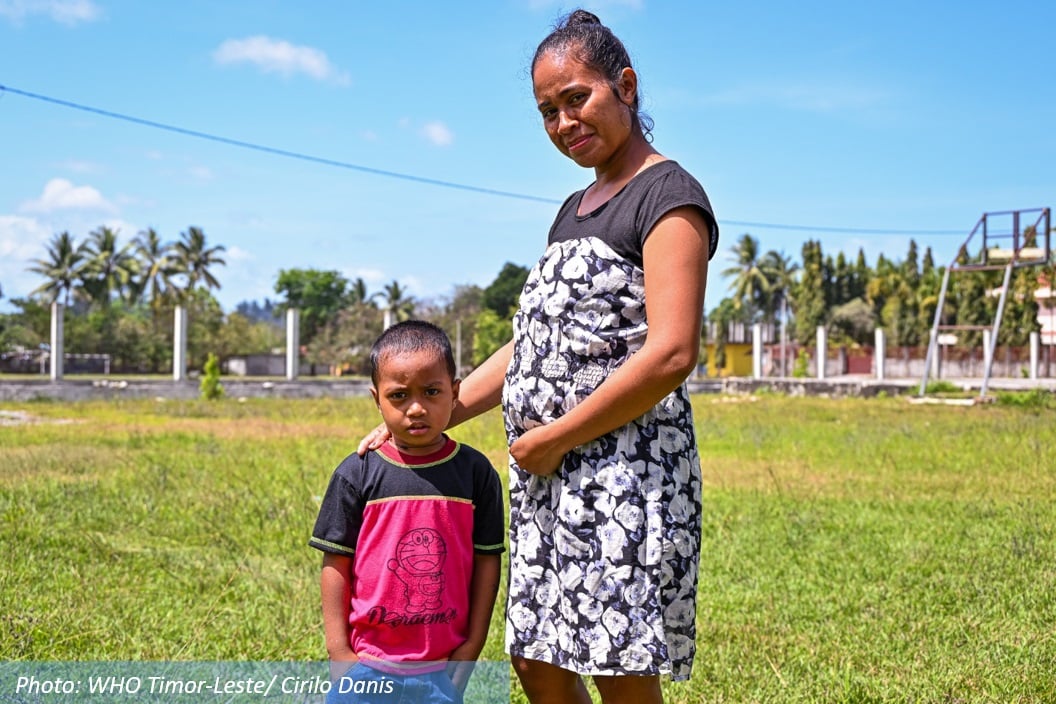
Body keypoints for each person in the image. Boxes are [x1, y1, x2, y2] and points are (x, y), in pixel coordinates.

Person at [361, 9, 718, 704]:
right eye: (547, 111)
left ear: (625, 86)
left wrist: (555, 438)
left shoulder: (668, 196)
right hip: (550, 480)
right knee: (535, 658)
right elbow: (534, 345)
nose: (563, 123)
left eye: (576, 98)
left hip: (623, 476)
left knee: (618, 669)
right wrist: (432, 416)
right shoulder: (573, 209)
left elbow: (672, 352)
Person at [311, 320, 505, 703]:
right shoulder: (356, 473)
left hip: (442, 667)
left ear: (455, 392)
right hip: (365, 663)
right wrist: (339, 652)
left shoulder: (475, 473)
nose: (416, 408)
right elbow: (336, 561)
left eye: (431, 392)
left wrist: (471, 647)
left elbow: (487, 560)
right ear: (376, 400)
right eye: (399, 396)